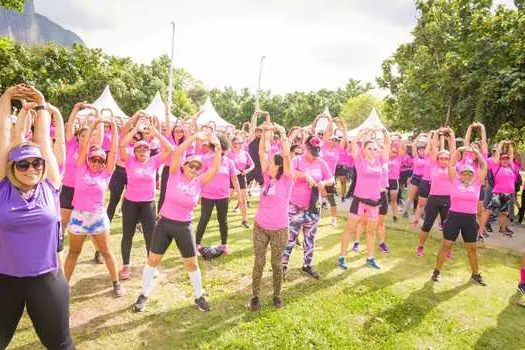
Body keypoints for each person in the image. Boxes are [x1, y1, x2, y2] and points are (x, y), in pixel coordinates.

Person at [0, 84, 74, 349]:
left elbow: (44, 141)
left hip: (46, 280)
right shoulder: (2, 188)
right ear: (12, 167)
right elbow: (5, 134)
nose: (32, 168)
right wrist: (7, 99)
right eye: (23, 164)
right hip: (4, 282)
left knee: (61, 345)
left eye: (37, 163)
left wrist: (42, 105)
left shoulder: (50, 185)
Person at [132, 132, 221, 312]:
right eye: (191, 165)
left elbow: (215, 168)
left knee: (192, 264)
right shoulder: (174, 174)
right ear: (184, 165)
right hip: (165, 224)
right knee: (153, 260)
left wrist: (217, 146)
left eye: (198, 167)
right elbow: (178, 151)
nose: (195, 169)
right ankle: (143, 295)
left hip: (184, 227)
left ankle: (198, 296)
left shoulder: (199, 182)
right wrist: (194, 136)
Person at [63, 115, 123, 297]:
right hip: (79, 217)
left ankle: (116, 282)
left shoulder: (106, 174)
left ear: (104, 163)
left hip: (97, 217)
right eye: (94, 159)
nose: (96, 163)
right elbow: (85, 147)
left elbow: (113, 152)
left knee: (105, 251)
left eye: (100, 161)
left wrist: (113, 127)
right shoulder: (82, 167)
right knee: (74, 252)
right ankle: (63, 286)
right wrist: (95, 125)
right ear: (88, 159)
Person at [118, 118, 174, 280]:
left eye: (145, 150)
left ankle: (151, 266)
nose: (142, 153)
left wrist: (156, 133)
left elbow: (170, 149)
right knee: (127, 234)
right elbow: (122, 144)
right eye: (139, 150)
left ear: (149, 151)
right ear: (134, 152)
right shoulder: (129, 160)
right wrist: (136, 129)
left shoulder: (154, 161)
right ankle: (126, 266)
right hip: (130, 204)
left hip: (148, 204)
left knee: (150, 235)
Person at [250, 121, 293, 311]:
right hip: (260, 225)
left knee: (276, 263)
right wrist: (265, 133)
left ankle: (277, 295)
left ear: (279, 166)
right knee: (259, 260)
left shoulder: (287, 180)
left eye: (272, 163)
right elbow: (261, 153)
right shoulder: (267, 177)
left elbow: (286, 155)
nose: (267, 165)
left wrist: (283, 134)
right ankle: (255, 296)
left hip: (279, 229)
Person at [431, 147, 487, 286]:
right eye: (464, 173)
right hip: (454, 217)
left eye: (469, 173)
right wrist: (459, 150)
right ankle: (437, 272)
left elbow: (484, 166)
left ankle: (475, 274)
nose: (467, 175)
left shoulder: (477, 183)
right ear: (460, 174)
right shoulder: (454, 181)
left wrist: (477, 153)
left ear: (473, 175)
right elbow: (451, 164)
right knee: (446, 245)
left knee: (472, 248)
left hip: (469, 219)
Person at [282, 134, 334, 279]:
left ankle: (307, 265)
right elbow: (290, 172)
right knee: (290, 237)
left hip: (312, 207)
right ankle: (283, 264)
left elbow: (332, 178)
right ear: (306, 147)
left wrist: (324, 182)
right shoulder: (297, 160)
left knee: (309, 237)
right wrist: (305, 176)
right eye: (313, 152)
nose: (314, 156)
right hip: (295, 206)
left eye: (317, 152)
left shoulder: (321, 162)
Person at [338, 128, 390, 270]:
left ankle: (370, 258)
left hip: (374, 202)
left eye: (375, 148)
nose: (373, 150)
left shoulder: (380, 161)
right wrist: (361, 134)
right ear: (364, 149)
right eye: (370, 148)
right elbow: (354, 144)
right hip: (359, 201)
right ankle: (342, 257)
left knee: (371, 232)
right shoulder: (359, 161)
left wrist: (384, 133)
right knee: (350, 229)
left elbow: (387, 146)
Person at [195, 134, 245, 253]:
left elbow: (234, 179)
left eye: (224, 150)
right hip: (207, 196)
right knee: (204, 219)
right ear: (215, 148)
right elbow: (200, 178)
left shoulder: (229, 162)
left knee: (223, 220)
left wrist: (239, 194)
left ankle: (224, 245)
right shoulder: (206, 159)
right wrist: (198, 195)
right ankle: (196, 244)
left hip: (223, 197)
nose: (223, 152)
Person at [416, 128, 455, 257]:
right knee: (427, 224)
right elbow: (433, 146)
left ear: (449, 160)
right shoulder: (434, 165)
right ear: (438, 159)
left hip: (447, 200)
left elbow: (453, 149)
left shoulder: (452, 167)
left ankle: (447, 250)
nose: (444, 160)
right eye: (441, 158)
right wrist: (437, 133)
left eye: (446, 158)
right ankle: (420, 247)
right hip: (433, 199)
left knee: (447, 227)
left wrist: (451, 134)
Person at [479, 141, 517, 237]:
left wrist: (510, 145)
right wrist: (502, 143)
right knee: (488, 211)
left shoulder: (511, 167)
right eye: (503, 158)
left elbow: (511, 154)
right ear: (499, 160)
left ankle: (503, 230)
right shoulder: (496, 166)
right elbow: (497, 156)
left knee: (503, 213)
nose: (505, 160)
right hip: (498, 193)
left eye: (507, 158)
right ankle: (481, 230)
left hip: (508, 194)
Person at [228, 135, 254, 228]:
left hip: (241, 177)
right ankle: (222, 218)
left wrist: (247, 171)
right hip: (230, 177)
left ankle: (244, 220)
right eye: (236, 143)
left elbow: (252, 165)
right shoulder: (228, 153)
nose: (239, 144)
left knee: (242, 199)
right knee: (226, 198)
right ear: (233, 143)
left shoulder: (245, 153)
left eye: (240, 143)